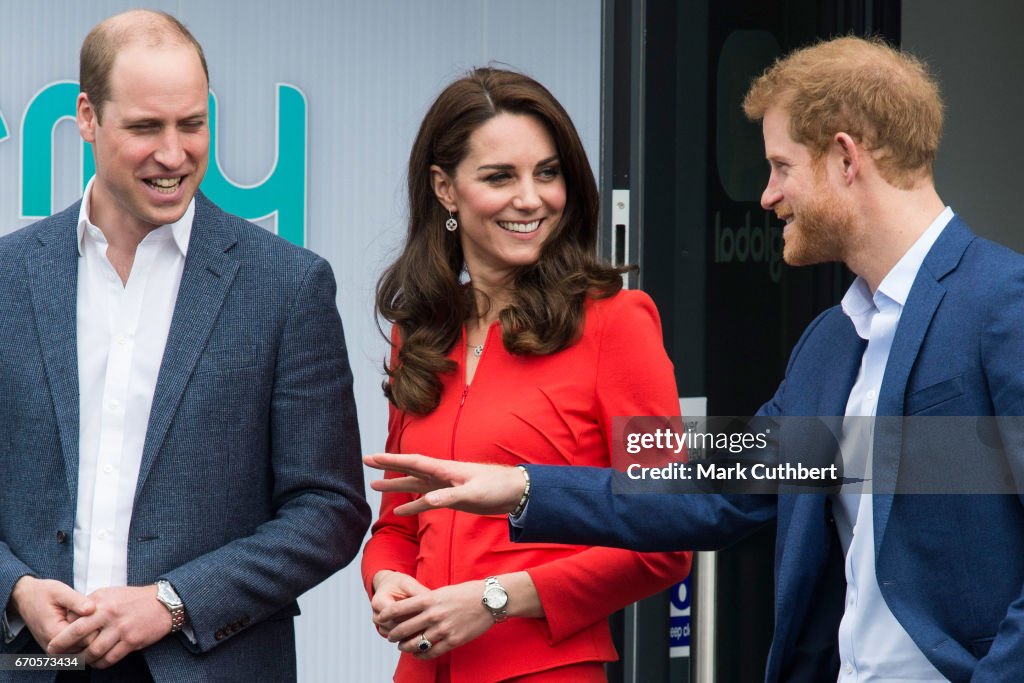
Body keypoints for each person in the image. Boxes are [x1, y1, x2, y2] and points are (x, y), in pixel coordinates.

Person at [366, 37, 1024, 682]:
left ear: (844, 159)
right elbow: (712, 487)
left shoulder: (1003, 304)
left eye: (780, 166)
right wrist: (524, 487)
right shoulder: (832, 342)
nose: (766, 195)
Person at [0, 10, 369, 681]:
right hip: (29, 660)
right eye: (146, 127)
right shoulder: (7, 278)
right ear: (86, 117)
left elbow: (330, 510)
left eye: (192, 124)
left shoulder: (287, 285)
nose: (174, 154)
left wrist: (172, 603)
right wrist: (16, 588)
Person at [361, 67, 692, 682]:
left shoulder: (616, 323)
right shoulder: (423, 332)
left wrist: (493, 599)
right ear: (444, 189)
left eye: (547, 172)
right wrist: (387, 582)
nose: (532, 199)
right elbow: (398, 524)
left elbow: (666, 540)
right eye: (499, 177)